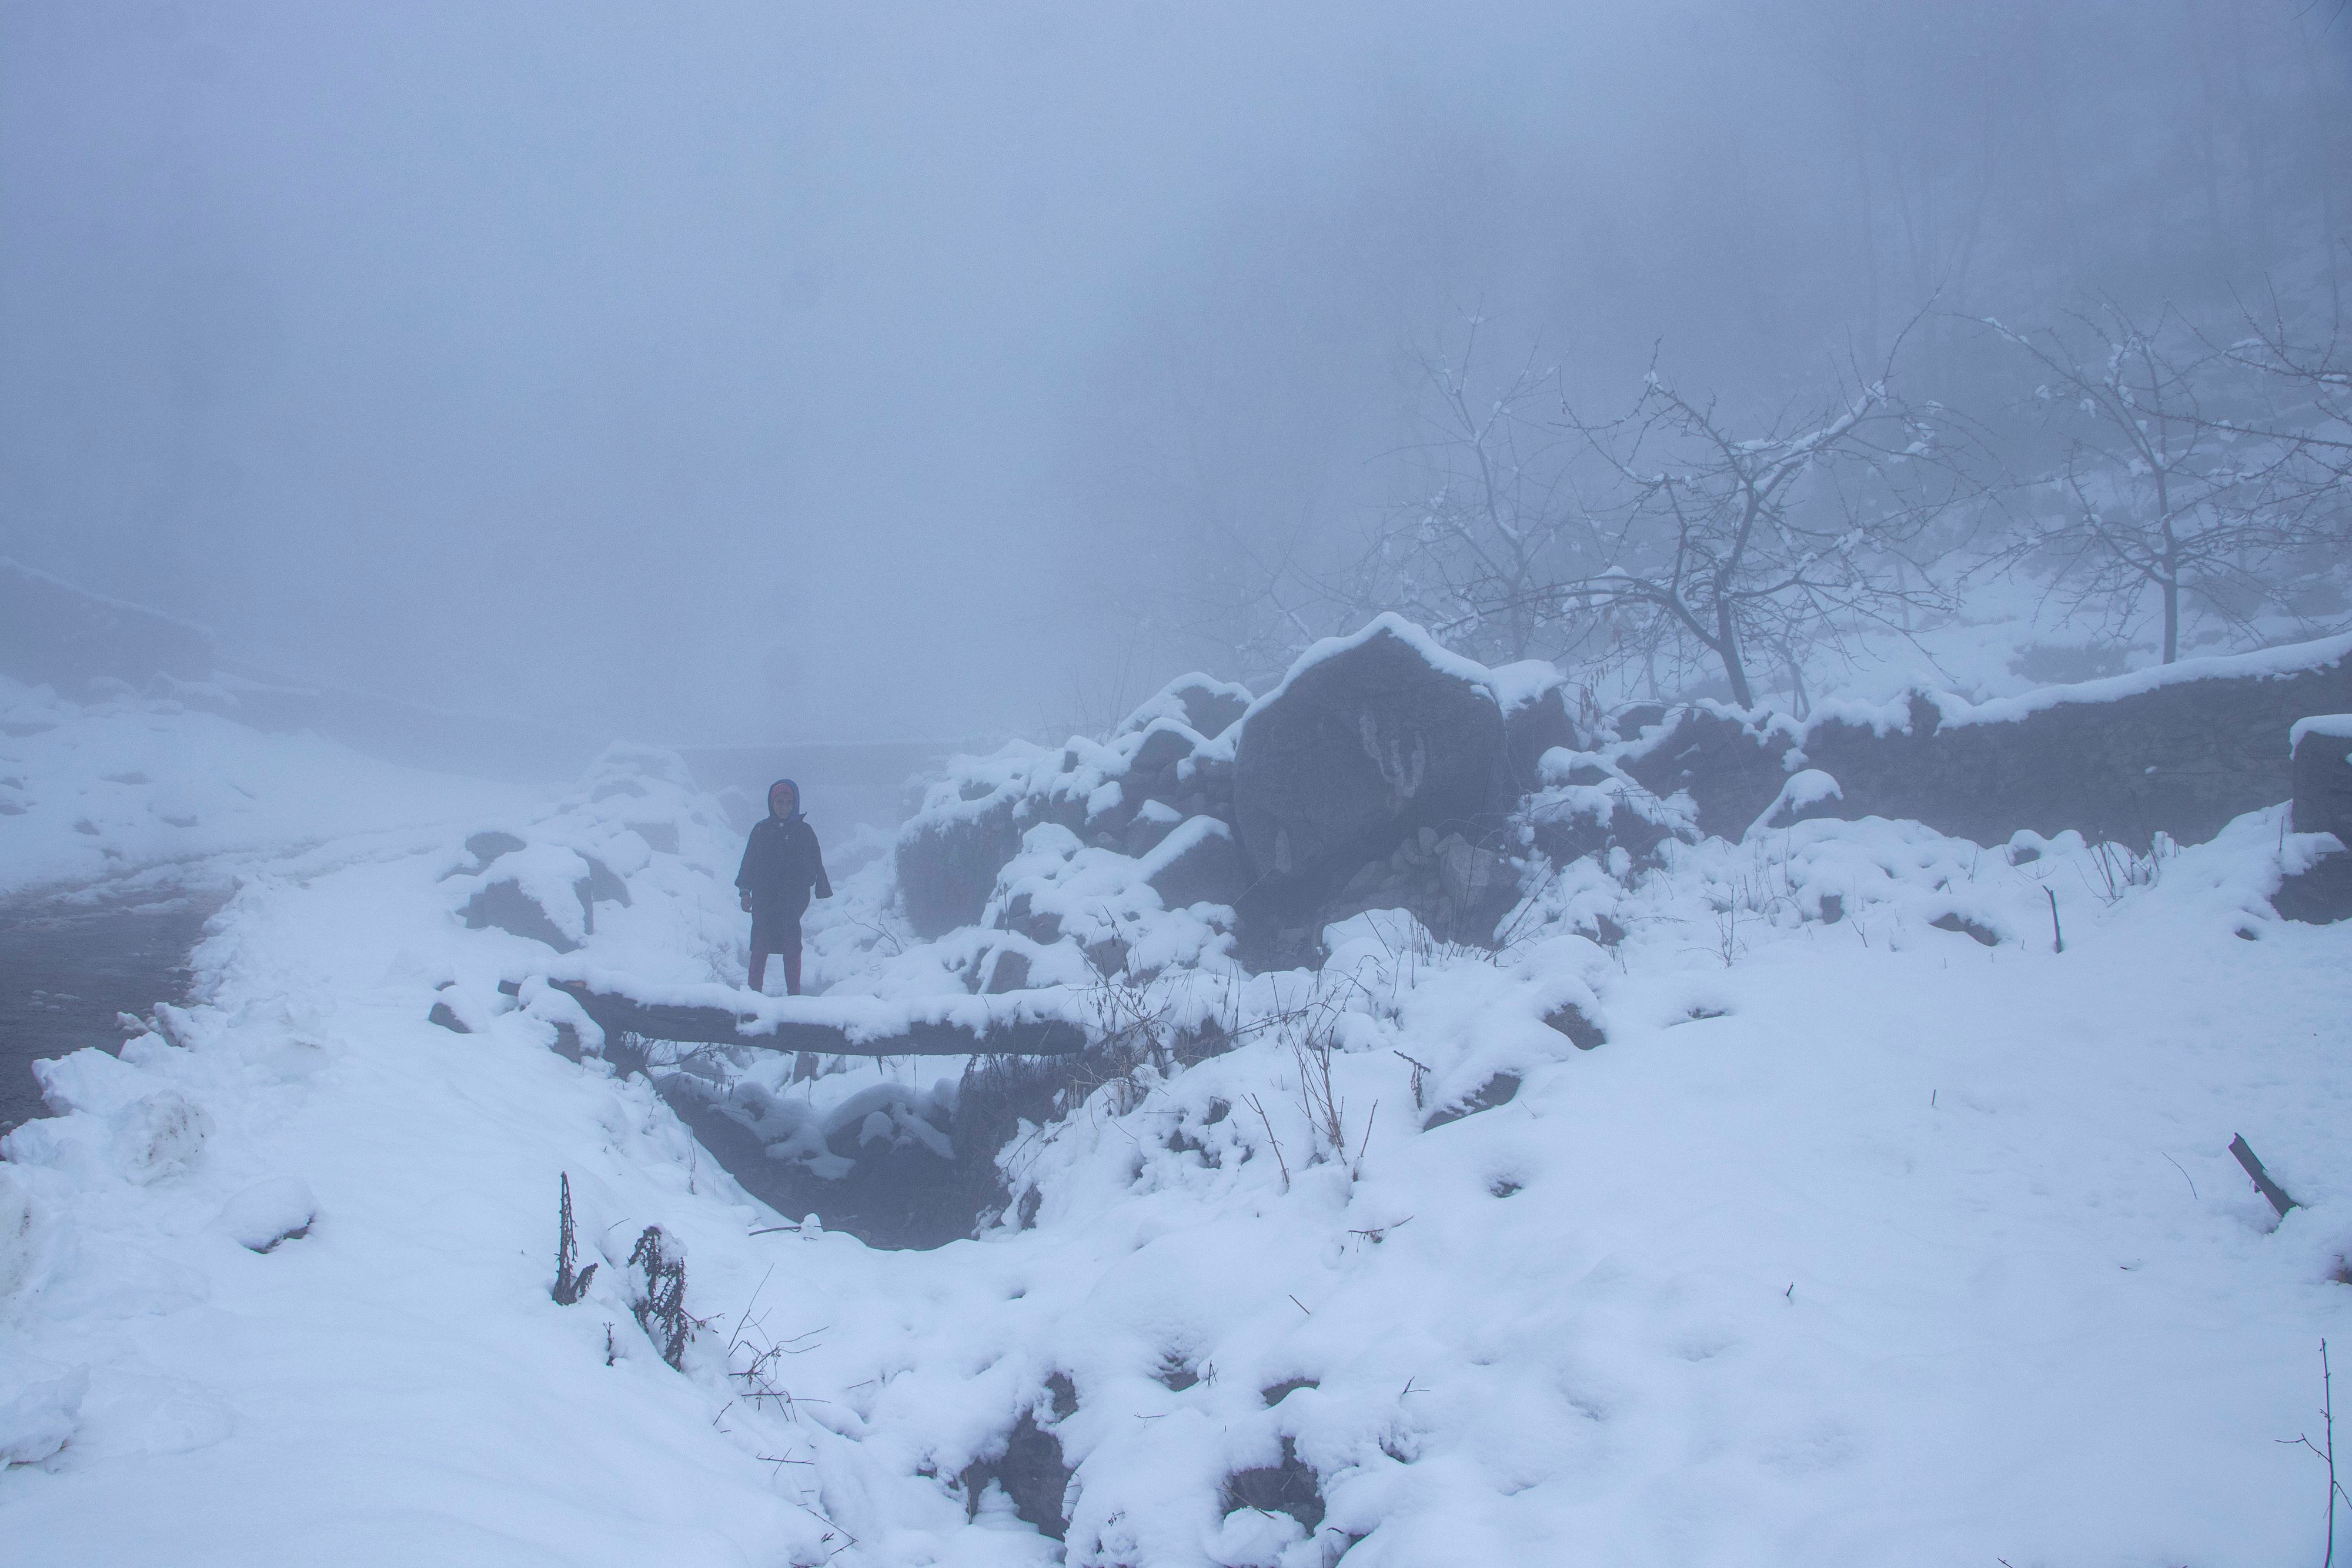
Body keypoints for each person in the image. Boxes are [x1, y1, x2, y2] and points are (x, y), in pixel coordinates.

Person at [735, 778, 831, 995]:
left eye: (789, 803)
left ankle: (794, 998)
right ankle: (753, 996)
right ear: (772, 803)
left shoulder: (804, 832)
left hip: (792, 901)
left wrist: (817, 885)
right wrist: (745, 890)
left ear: (795, 803)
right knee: (759, 948)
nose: (785, 807)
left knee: (792, 949)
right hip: (764, 900)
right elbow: (749, 862)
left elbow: (816, 861)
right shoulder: (761, 831)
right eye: (780, 802)